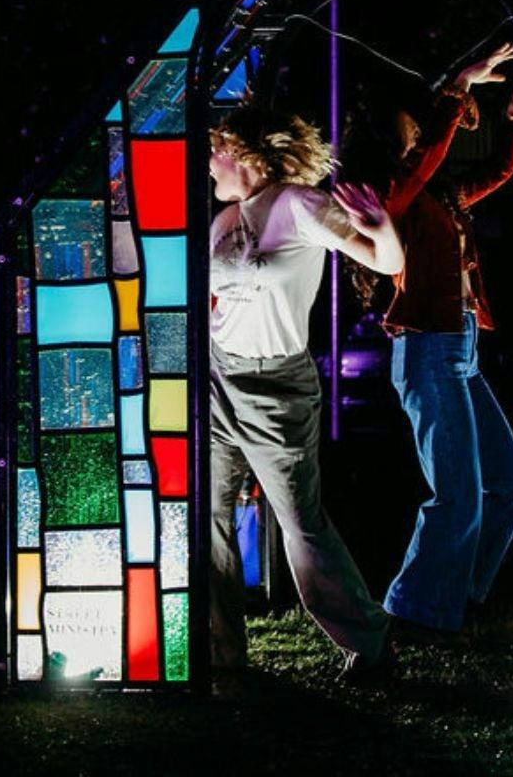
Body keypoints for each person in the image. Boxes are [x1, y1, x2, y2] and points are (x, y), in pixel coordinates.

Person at [342, 42, 513, 639]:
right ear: (386, 136)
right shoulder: (382, 196)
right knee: (458, 495)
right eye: (409, 127)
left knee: (509, 482)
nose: (418, 132)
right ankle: (412, 612)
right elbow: (425, 160)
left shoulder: (434, 196)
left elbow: (498, 172)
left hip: (461, 349)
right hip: (427, 349)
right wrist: (460, 86)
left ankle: (457, 593)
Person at [207, 105, 404, 683]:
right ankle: (220, 651)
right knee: (209, 512)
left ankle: (368, 644)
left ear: (246, 155)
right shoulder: (223, 221)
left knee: (301, 520)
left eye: (215, 150)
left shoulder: (298, 205)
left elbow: (386, 261)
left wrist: (382, 229)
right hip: (221, 377)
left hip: (277, 386)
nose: (207, 162)